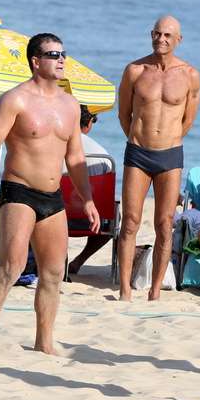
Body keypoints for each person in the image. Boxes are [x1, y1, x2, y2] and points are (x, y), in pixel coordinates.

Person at [0, 33, 99, 354]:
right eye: (53, 54)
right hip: (18, 192)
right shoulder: (14, 99)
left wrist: (88, 198)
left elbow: (75, 158)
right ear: (35, 61)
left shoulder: (70, 105)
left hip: (53, 198)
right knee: (11, 268)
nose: (61, 60)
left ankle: (44, 343)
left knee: (54, 273)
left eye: (63, 54)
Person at [117, 15, 200, 301]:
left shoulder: (189, 74)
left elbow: (188, 119)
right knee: (129, 221)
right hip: (138, 153)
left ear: (179, 39)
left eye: (167, 35)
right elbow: (123, 114)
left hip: (170, 155)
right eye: (156, 34)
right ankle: (125, 288)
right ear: (150, 35)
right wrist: (141, 138)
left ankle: (154, 291)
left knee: (164, 224)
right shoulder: (135, 70)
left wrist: (168, 139)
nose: (161, 39)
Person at [66, 106, 113, 274]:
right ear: (88, 123)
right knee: (114, 216)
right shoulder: (103, 156)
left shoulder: (56, 147)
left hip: (56, 217)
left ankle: (59, 259)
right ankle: (79, 261)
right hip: (92, 222)